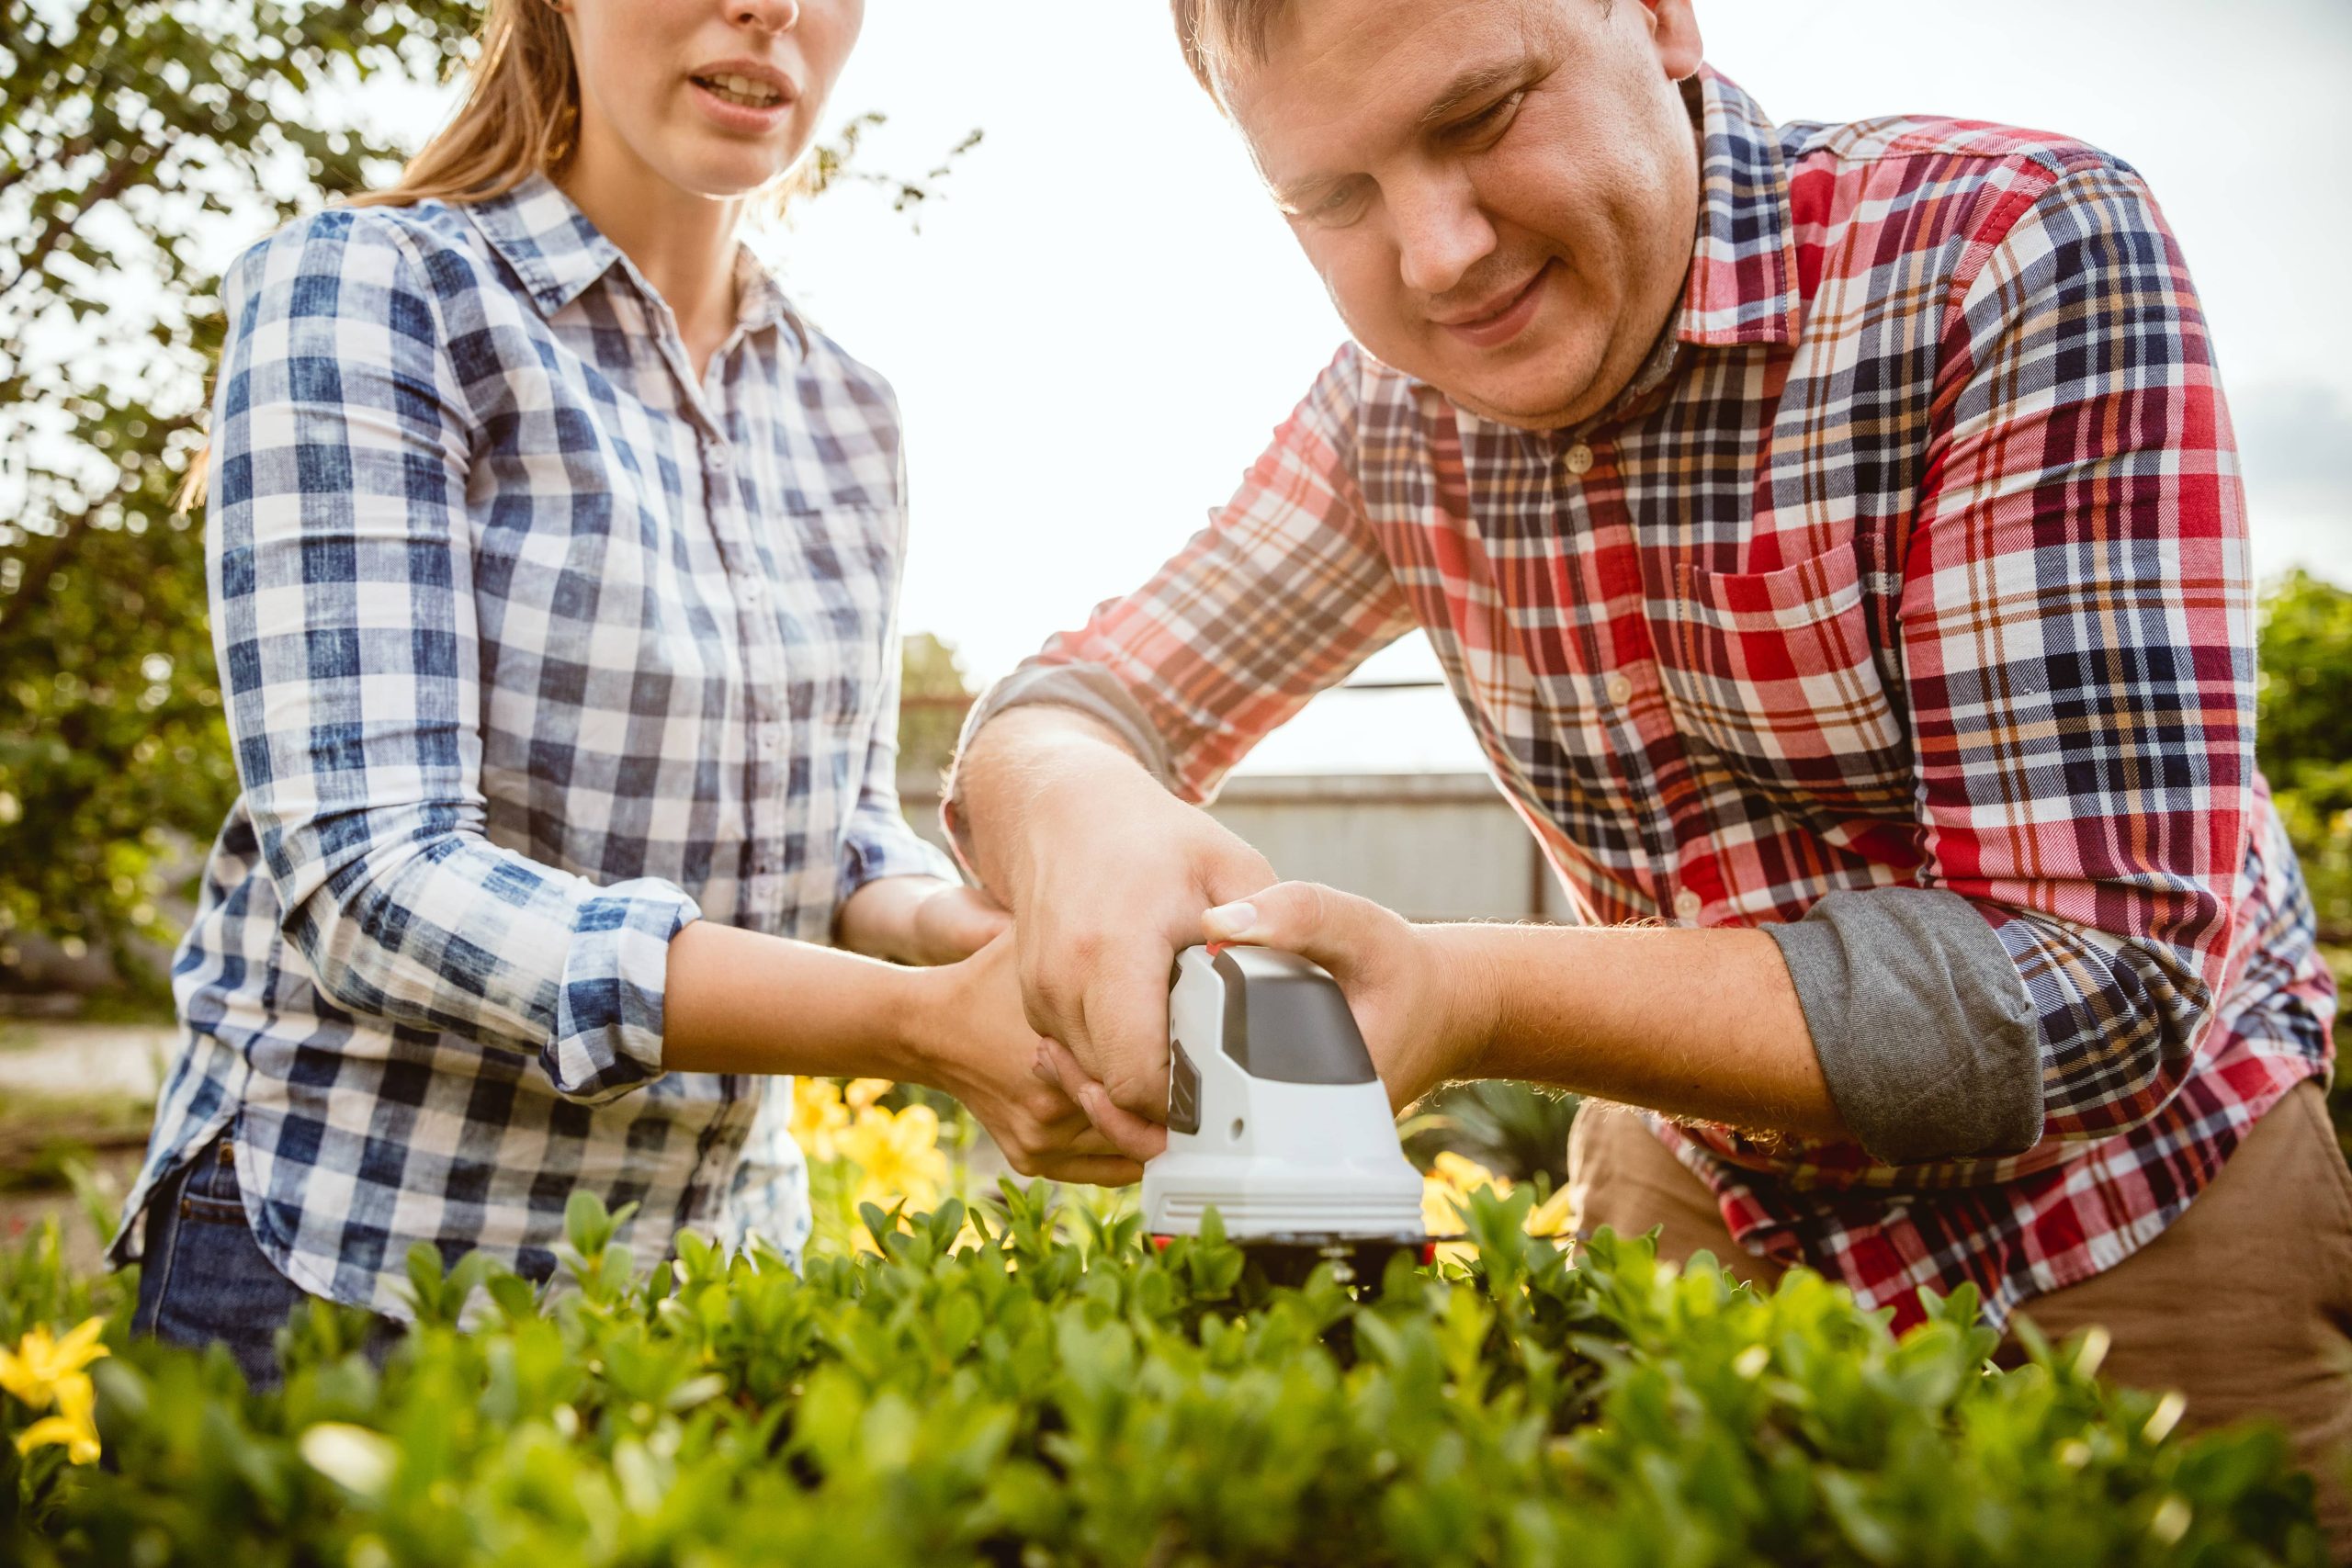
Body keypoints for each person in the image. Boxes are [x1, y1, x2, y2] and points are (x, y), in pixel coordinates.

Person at [945, 0, 2350, 1538]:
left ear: (1663, 19)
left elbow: (2094, 981)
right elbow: (1077, 699)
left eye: (1481, 116)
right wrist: (1072, 810)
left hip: (2140, 1227)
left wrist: (1470, 994)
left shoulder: (2002, 251)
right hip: (1698, 1195)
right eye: (1332, 200)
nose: (1436, 256)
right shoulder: (1396, 419)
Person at [116, 0, 1134, 1387]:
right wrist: (916, 1029)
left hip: (706, 1283)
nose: (770, 6)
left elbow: (829, 834)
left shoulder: (850, 408)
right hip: (353, 1267)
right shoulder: (375, 288)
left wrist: (995, 943)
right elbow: (373, 884)